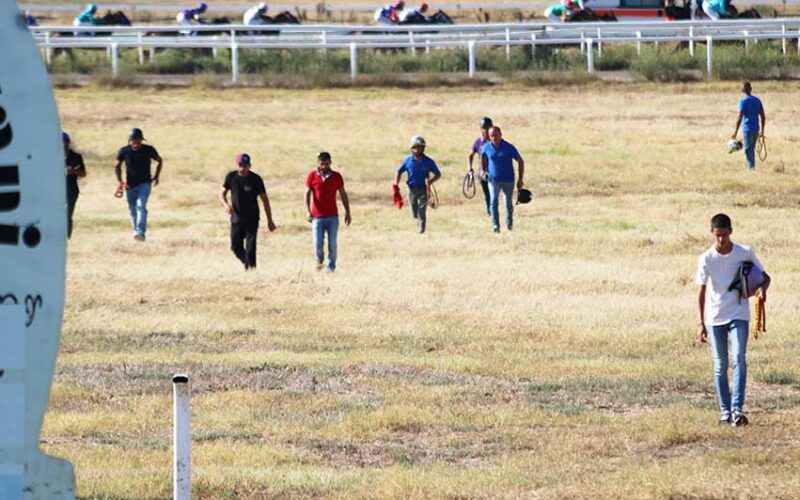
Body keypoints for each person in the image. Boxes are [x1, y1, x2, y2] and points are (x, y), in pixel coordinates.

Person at [696, 213, 770, 427]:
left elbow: (766, 278)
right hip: (715, 316)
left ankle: (737, 410)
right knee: (720, 365)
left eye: (725, 235)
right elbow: (700, 292)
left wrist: (761, 292)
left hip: (739, 313)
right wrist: (700, 323)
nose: (721, 240)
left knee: (739, 358)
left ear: (731, 232)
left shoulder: (744, 252)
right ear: (711, 233)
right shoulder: (706, 258)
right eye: (718, 235)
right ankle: (724, 412)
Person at [219, 153, 276, 270]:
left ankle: (251, 270)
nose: (242, 168)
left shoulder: (256, 179)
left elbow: (265, 200)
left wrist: (269, 220)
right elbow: (221, 194)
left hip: (252, 218)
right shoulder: (231, 177)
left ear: (249, 165)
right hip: (236, 218)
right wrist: (225, 205)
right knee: (235, 246)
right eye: (240, 165)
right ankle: (248, 264)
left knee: (250, 247)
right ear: (236, 165)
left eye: (245, 165)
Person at [305, 152, 351, 272]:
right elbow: (307, 193)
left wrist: (347, 212)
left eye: (326, 164)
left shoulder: (336, 177)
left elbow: (343, 195)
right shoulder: (312, 176)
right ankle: (319, 261)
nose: (324, 166)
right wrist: (307, 211)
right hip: (317, 216)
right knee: (318, 244)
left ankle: (330, 267)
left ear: (330, 162)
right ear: (318, 163)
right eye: (321, 164)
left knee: (332, 244)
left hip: (332, 217)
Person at [114, 128, 163, 241]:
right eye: (133, 140)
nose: (136, 142)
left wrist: (156, 176)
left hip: (144, 183)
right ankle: (136, 231)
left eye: (138, 140)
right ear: (129, 140)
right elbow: (117, 165)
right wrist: (120, 181)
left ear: (141, 140)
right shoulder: (124, 151)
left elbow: (159, 161)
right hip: (130, 185)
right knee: (132, 209)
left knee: (141, 206)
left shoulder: (149, 150)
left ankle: (140, 232)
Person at [480, 126, 524, 233]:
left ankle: (509, 224)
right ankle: (495, 225)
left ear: (501, 135)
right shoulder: (486, 147)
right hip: (493, 180)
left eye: (496, 135)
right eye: (491, 136)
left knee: (508, 203)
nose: (494, 138)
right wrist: (483, 170)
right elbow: (483, 156)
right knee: (493, 201)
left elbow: (520, 161)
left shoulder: (508, 147)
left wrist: (520, 179)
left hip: (508, 179)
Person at [394, 136, 441, 234]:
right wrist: (396, 184)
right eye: (415, 147)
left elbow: (438, 174)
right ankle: (418, 220)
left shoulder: (428, 161)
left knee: (421, 211)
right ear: (412, 148)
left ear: (423, 148)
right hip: (411, 190)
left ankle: (421, 231)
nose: (417, 149)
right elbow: (398, 172)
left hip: (424, 190)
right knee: (414, 213)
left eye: (420, 147)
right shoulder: (407, 161)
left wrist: (430, 181)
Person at [732, 82, 766, 172]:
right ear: (751, 89)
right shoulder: (757, 100)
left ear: (742, 90)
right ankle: (750, 167)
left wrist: (735, 132)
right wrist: (762, 130)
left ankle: (751, 170)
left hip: (747, 129)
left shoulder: (743, 101)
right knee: (751, 149)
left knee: (748, 150)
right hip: (756, 129)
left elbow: (739, 117)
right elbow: (763, 116)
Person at [468, 117, 493, 216]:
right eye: (484, 128)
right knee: (488, 194)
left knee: (493, 193)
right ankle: (490, 211)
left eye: (488, 127)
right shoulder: (478, 142)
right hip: (483, 173)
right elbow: (470, 155)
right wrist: (470, 168)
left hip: (495, 172)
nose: (485, 130)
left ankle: (493, 210)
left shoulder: (495, 140)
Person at [63, 132, 86, 239]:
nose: (63, 145)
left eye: (64, 142)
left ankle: (67, 238)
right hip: (56, 192)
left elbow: (83, 173)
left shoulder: (76, 157)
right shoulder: (51, 157)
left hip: (71, 191)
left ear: (68, 143)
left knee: (67, 216)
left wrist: (73, 171)